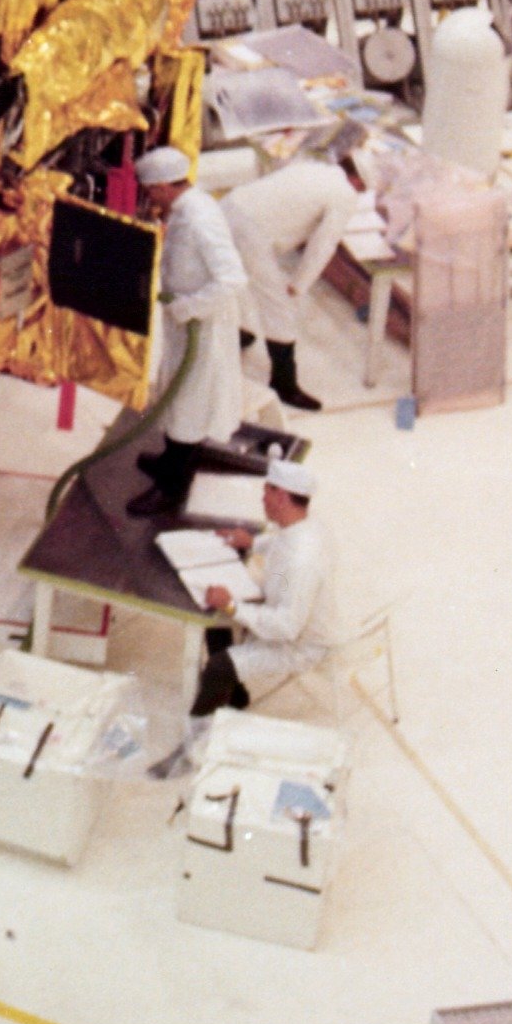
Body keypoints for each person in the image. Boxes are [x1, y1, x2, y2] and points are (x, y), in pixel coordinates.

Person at [127, 143, 251, 518]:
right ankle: (170, 461)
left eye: (151, 192)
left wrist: (188, 307)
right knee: (178, 398)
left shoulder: (198, 218)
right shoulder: (187, 209)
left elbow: (232, 279)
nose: (150, 199)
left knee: (188, 405)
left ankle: (172, 489)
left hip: (202, 327)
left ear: (165, 187)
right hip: (185, 324)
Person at [192, 456, 335, 716]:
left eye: (266, 492)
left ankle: (198, 734)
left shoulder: (302, 562)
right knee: (215, 619)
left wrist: (232, 606)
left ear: (281, 497)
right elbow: (281, 541)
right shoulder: (304, 523)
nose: (262, 499)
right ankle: (233, 694)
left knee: (217, 668)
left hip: (298, 644)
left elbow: (287, 627)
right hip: (285, 611)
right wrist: (251, 542)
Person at [222, 145, 359, 413]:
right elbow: (323, 244)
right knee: (278, 308)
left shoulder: (314, 167)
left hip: (229, 208)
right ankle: (284, 384)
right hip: (251, 233)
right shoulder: (346, 194)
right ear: (358, 181)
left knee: (241, 282)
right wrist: (299, 284)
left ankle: (241, 333)